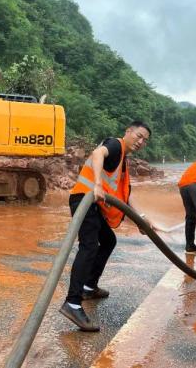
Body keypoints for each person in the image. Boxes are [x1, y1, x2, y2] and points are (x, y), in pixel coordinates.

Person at [59, 120, 152, 332]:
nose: (141, 142)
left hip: (92, 205)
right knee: (89, 246)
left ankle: (88, 287)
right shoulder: (115, 145)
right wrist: (98, 185)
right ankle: (73, 303)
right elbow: (98, 153)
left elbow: (125, 197)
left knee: (109, 240)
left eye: (144, 140)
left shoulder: (123, 162)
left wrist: (141, 219)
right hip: (84, 199)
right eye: (138, 136)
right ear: (128, 131)